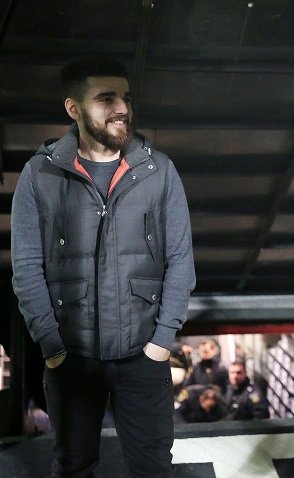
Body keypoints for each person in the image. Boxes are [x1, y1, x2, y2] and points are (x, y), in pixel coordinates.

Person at [10, 57, 196, 477]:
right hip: (72, 361)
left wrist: (160, 344)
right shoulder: (39, 174)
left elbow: (181, 261)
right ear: (73, 108)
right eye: (106, 98)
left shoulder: (159, 171)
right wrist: (52, 347)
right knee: (73, 468)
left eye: (125, 98)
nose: (122, 109)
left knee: (153, 470)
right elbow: (27, 267)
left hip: (143, 358)